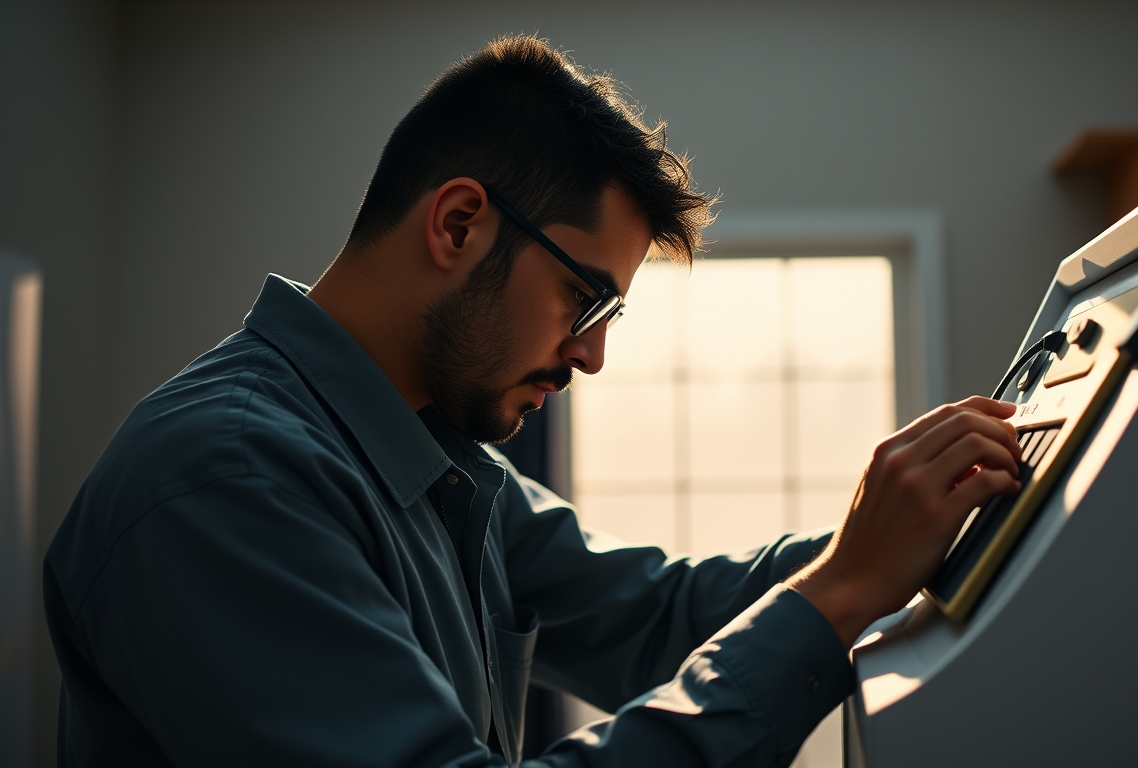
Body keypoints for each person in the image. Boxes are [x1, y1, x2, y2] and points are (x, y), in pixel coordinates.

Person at [43, 36, 1022, 767]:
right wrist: (839, 590)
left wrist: (896, 528)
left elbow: (658, 616)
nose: (592, 355)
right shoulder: (222, 481)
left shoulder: (438, 463)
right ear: (460, 223)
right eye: (585, 297)